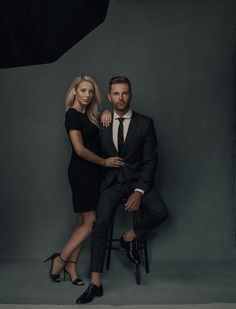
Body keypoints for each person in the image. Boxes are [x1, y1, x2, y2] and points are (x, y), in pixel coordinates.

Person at [76, 76, 169, 303]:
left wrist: (139, 191)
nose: (121, 97)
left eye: (125, 93)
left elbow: (150, 162)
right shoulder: (101, 121)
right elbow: (85, 143)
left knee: (160, 212)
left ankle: (129, 238)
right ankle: (95, 284)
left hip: (137, 182)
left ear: (131, 95)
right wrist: (103, 113)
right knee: (100, 224)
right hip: (112, 184)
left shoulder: (145, 123)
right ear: (109, 97)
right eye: (116, 93)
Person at [44, 75, 124, 285]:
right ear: (75, 92)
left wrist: (106, 111)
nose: (87, 95)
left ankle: (72, 266)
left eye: (90, 91)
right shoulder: (72, 115)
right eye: (83, 91)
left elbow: (100, 125)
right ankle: (59, 260)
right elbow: (79, 150)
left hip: (93, 173)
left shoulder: (88, 115)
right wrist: (105, 163)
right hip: (82, 172)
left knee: (83, 221)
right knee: (90, 223)